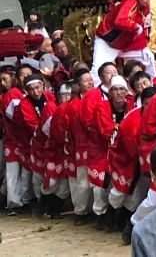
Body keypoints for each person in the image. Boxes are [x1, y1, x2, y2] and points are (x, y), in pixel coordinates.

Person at [108, 86, 156, 244]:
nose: (151, 107)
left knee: (137, 194)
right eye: (147, 103)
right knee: (120, 191)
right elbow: (131, 147)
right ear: (142, 102)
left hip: (146, 160)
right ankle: (107, 218)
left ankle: (124, 221)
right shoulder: (132, 120)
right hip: (126, 158)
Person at [87, 75, 134, 230]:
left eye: (122, 89)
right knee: (100, 184)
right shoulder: (101, 107)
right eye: (115, 89)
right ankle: (99, 214)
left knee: (123, 182)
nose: (119, 92)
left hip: (122, 151)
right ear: (110, 92)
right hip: (101, 150)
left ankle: (115, 214)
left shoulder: (131, 106)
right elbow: (104, 129)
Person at [91, 0, 156, 86]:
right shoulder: (130, 3)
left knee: (148, 58)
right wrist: (135, 26)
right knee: (98, 71)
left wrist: (143, 46)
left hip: (126, 44)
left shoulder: (145, 7)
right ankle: (95, 95)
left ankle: (151, 87)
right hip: (107, 43)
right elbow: (120, 21)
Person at [14, 74, 55, 214]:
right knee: (35, 173)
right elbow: (32, 125)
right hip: (32, 142)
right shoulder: (24, 105)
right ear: (26, 90)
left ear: (42, 86)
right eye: (31, 89)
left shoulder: (49, 96)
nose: (35, 92)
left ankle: (51, 201)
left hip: (51, 140)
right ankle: (37, 200)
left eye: (37, 87)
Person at [40, 82, 74, 220]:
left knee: (65, 186)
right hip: (55, 150)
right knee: (52, 181)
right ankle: (42, 206)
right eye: (62, 95)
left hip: (69, 152)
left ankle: (55, 209)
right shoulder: (52, 108)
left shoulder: (73, 108)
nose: (65, 97)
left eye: (68, 95)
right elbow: (47, 130)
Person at [2, 65, 31, 214]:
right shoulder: (13, 93)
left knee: (22, 171)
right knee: (14, 172)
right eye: (22, 75)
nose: (2, 83)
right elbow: (16, 118)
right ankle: (15, 202)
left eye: (4, 79)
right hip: (14, 139)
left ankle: (19, 200)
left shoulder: (22, 92)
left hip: (20, 139)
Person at [68, 68, 96, 224]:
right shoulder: (74, 105)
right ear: (78, 85)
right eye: (85, 80)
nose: (90, 82)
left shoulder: (98, 98)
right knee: (83, 182)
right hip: (82, 144)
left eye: (90, 79)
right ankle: (80, 212)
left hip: (96, 145)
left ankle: (92, 210)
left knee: (94, 181)